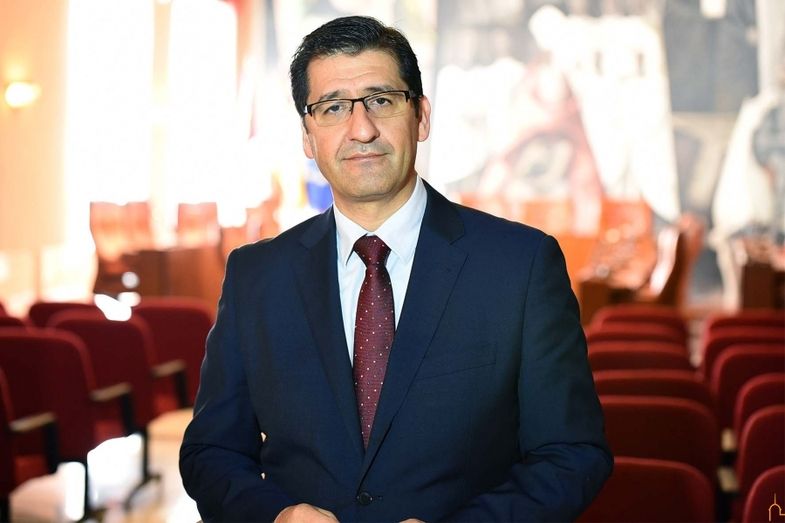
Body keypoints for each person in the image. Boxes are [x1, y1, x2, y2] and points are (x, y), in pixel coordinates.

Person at [180, 15, 612, 522]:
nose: (361, 129)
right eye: (333, 108)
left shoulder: (521, 265)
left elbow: (571, 455)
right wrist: (277, 516)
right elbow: (210, 452)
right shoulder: (256, 276)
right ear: (307, 135)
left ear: (421, 117)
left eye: (382, 101)